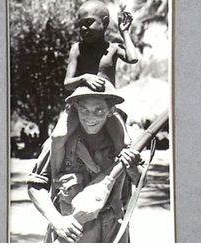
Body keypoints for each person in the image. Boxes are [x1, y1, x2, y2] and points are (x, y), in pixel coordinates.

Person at [28, 80, 143, 243]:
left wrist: (132, 167)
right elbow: (35, 185)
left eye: (99, 110)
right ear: (76, 109)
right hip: (71, 235)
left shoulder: (122, 145)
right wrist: (57, 221)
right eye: (84, 110)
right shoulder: (59, 144)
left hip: (113, 234)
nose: (90, 117)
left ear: (110, 111)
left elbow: (141, 181)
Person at [50, 0, 139, 178]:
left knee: (124, 145)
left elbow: (133, 58)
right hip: (80, 107)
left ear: (105, 22)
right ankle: (53, 178)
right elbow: (67, 83)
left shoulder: (113, 49)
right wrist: (84, 78)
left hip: (106, 109)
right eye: (80, 25)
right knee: (57, 137)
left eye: (88, 22)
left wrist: (125, 33)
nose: (83, 28)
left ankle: (124, 185)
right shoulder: (77, 49)